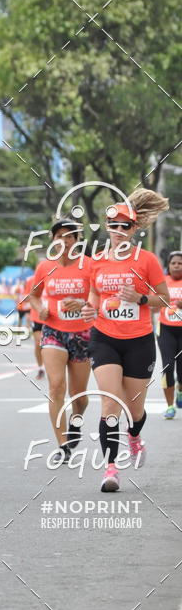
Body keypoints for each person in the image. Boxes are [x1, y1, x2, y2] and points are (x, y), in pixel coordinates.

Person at [81, 190, 169, 492]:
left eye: (125, 226)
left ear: (134, 229)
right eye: (114, 225)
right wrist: (89, 308)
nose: (119, 231)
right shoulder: (95, 262)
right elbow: (93, 295)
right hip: (104, 337)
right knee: (109, 404)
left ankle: (134, 435)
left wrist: (142, 298)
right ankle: (110, 469)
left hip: (139, 340)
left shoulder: (147, 260)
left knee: (135, 409)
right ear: (107, 226)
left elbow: (165, 300)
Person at [29, 220, 92, 461]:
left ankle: (75, 423)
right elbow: (34, 296)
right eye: (59, 236)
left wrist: (85, 304)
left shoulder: (88, 266)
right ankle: (63, 444)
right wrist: (40, 309)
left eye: (69, 236)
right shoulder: (45, 267)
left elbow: (98, 298)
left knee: (80, 397)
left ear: (77, 240)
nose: (64, 240)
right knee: (56, 388)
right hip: (53, 331)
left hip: (82, 334)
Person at [157, 251, 182, 418]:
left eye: (180, 263)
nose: (176, 265)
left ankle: (180, 390)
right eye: (173, 263)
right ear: (168, 265)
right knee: (167, 367)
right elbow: (153, 301)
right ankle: (169, 406)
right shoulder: (162, 282)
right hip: (165, 329)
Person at [19, 273, 45, 378]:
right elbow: (25, 298)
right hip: (37, 316)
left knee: (50, 346)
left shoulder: (57, 277)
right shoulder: (32, 280)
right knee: (38, 343)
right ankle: (40, 368)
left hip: (53, 318)